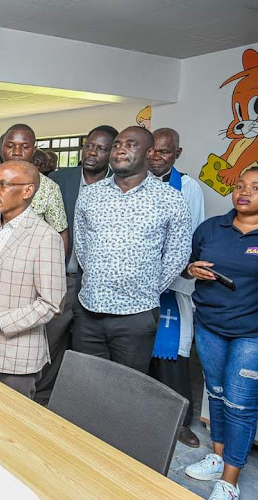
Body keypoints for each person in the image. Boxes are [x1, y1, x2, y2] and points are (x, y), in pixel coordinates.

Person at [73, 126, 191, 373]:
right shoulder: (90, 195)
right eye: (116, 144)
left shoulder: (170, 199)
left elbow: (178, 254)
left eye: (131, 144)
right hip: (89, 312)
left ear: (149, 153)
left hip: (136, 315)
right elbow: (82, 245)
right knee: (85, 386)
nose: (120, 149)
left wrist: (147, 288)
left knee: (126, 391)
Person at [184, 167, 258, 500]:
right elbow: (189, 262)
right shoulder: (211, 228)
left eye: (256, 188)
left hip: (251, 334)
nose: (245, 192)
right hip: (210, 325)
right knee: (214, 393)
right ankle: (218, 456)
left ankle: (229, 480)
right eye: (240, 185)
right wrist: (191, 269)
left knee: (239, 404)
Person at [0, 160, 66, 398]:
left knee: (12, 429)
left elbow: (50, 303)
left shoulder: (45, 237)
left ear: (27, 190)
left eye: (4, 184)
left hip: (19, 357)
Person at [34, 125, 117, 405]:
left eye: (102, 148)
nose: (93, 152)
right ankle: (42, 398)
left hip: (98, 285)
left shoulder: (119, 187)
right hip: (62, 279)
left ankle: (79, 404)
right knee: (50, 340)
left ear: (113, 152)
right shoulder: (59, 179)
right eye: (89, 146)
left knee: (86, 351)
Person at [148, 127, 206, 448]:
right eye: (153, 151)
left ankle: (179, 422)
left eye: (165, 152)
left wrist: (169, 270)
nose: (157, 157)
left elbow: (192, 236)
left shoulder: (188, 187)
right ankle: (141, 415)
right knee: (138, 353)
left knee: (174, 353)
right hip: (137, 286)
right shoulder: (133, 184)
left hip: (174, 284)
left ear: (177, 155)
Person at [0, 125, 69, 251]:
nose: (17, 152)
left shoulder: (49, 188)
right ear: (2, 148)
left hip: (29, 262)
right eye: (10, 146)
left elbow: (60, 231)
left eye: (25, 147)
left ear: (34, 151)